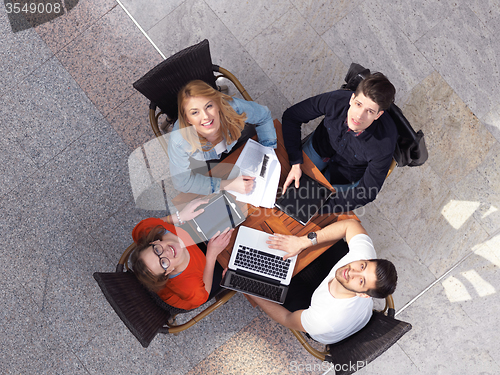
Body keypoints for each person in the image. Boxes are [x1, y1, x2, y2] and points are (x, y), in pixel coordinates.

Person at [248, 219, 397, 345]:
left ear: (364, 295)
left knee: (273, 276)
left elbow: (287, 318)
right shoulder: (363, 257)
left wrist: (250, 291)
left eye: (361, 281)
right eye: (362, 266)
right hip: (348, 310)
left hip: (323, 321)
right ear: (368, 260)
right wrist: (302, 242)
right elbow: (350, 225)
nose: (352, 271)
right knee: (328, 240)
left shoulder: (321, 320)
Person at [281, 73, 397, 213]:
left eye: (370, 111)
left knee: (304, 213)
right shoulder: (335, 100)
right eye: (358, 104)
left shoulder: (384, 143)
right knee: (283, 182)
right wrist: (295, 161)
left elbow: (367, 193)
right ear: (352, 98)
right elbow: (292, 116)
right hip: (320, 148)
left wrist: (319, 207)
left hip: (346, 174)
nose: (359, 116)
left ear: (378, 115)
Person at [168, 80, 277, 195]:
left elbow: (264, 116)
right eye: (195, 112)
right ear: (187, 119)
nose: (206, 116)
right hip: (209, 164)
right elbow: (182, 183)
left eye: (209, 106)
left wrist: (268, 153)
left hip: (239, 143)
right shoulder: (179, 141)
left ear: (218, 105)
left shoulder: (233, 108)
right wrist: (228, 185)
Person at [130, 199, 233, 310]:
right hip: (194, 289)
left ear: (154, 242)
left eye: (157, 251)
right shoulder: (191, 288)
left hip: (193, 247)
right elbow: (203, 295)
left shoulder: (147, 228)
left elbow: (140, 229)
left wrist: (179, 217)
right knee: (229, 268)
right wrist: (212, 255)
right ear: (169, 272)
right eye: (163, 263)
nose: (167, 253)